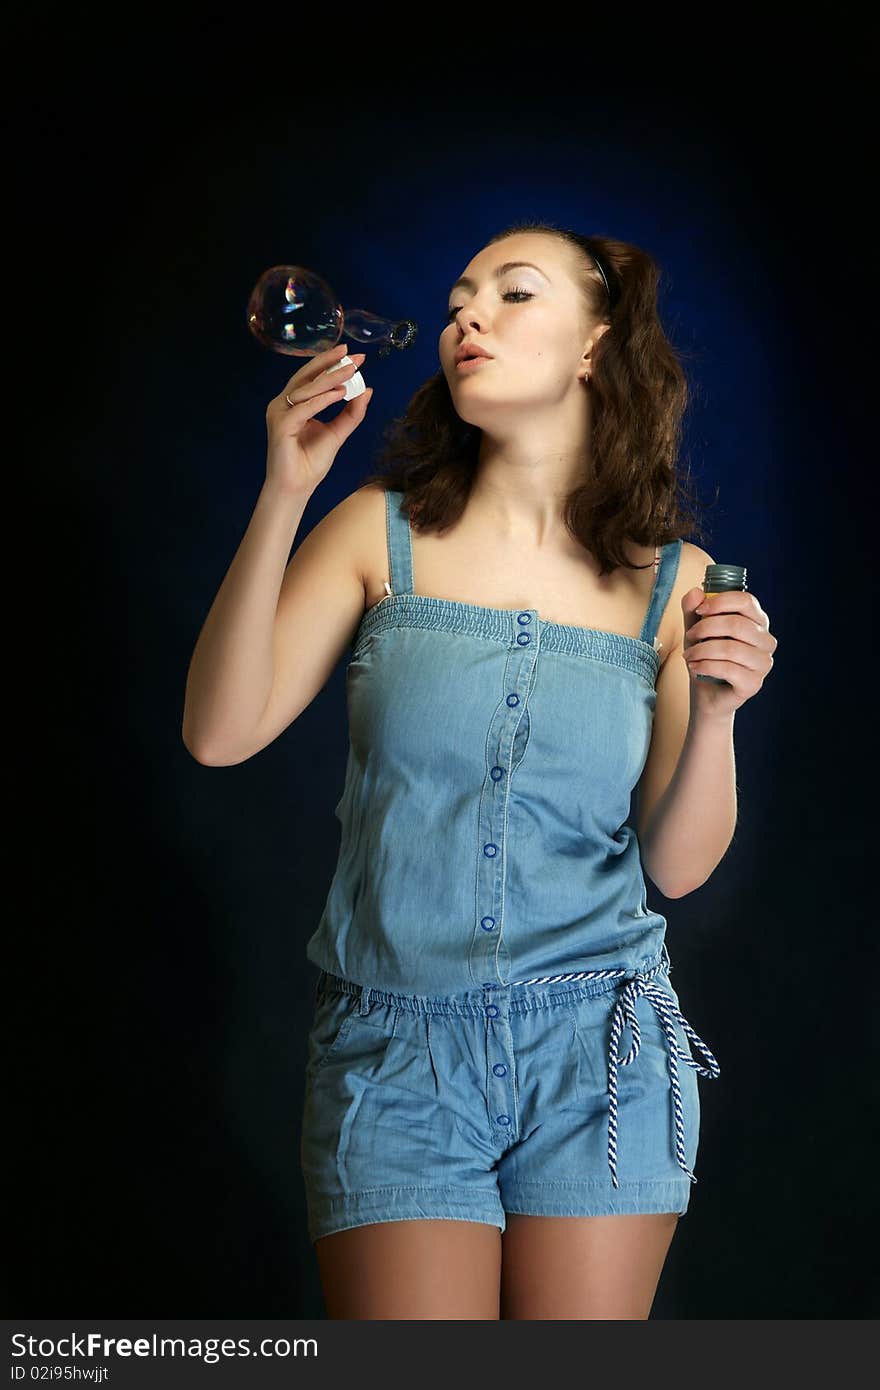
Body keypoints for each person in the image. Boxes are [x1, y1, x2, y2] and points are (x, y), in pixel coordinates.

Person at [182, 222, 778, 1319]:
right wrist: (284, 491)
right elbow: (219, 733)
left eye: (511, 294)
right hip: (391, 1051)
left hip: (595, 1050)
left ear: (595, 346)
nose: (466, 316)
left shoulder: (675, 581)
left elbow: (679, 868)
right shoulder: (377, 531)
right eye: (459, 298)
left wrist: (721, 715)